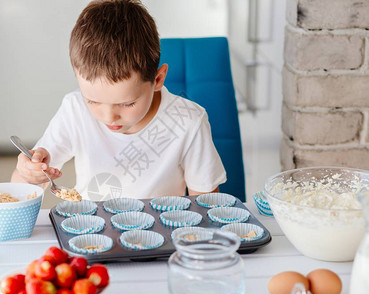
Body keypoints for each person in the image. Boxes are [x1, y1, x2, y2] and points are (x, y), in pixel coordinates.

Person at [11, 0, 226, 201]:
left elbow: (205, 206)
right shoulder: (74, 109)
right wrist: (28, 173)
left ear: (157, 79)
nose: (108, 117)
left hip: (160, 235)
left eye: (127, 103)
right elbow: (21, 192)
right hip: (90, 235)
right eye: (93, 101)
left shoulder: (188, 121)